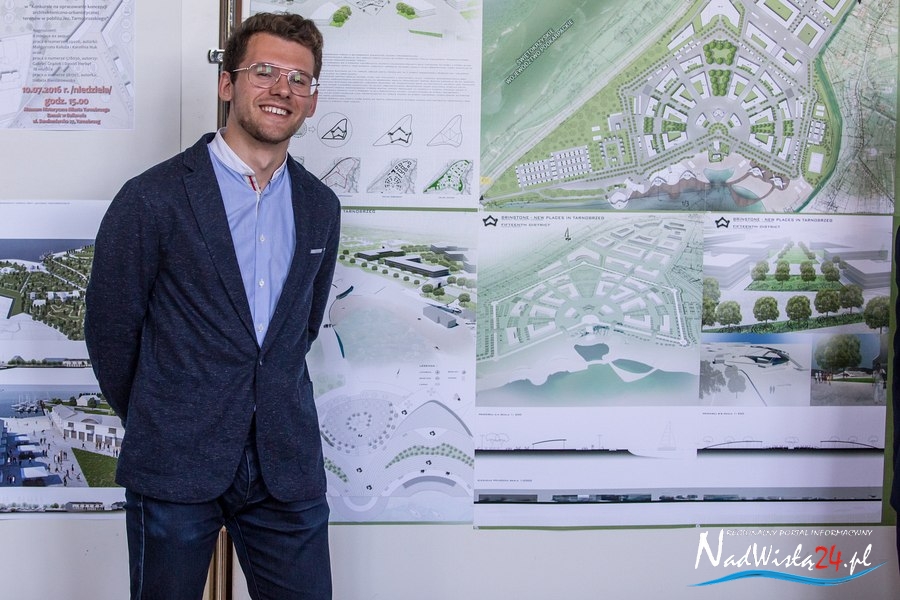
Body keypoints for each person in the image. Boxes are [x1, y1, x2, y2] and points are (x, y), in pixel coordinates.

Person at [84, 12, 339, 600]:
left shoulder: (320, 206)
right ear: (227, 83)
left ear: (311, 99)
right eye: (265, 71)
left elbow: (298, 330)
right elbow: (110, 332)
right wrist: (163, 415)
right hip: (175, 459)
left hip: (285, 463)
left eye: (299, 79)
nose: (282, 89)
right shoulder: (152, 198)